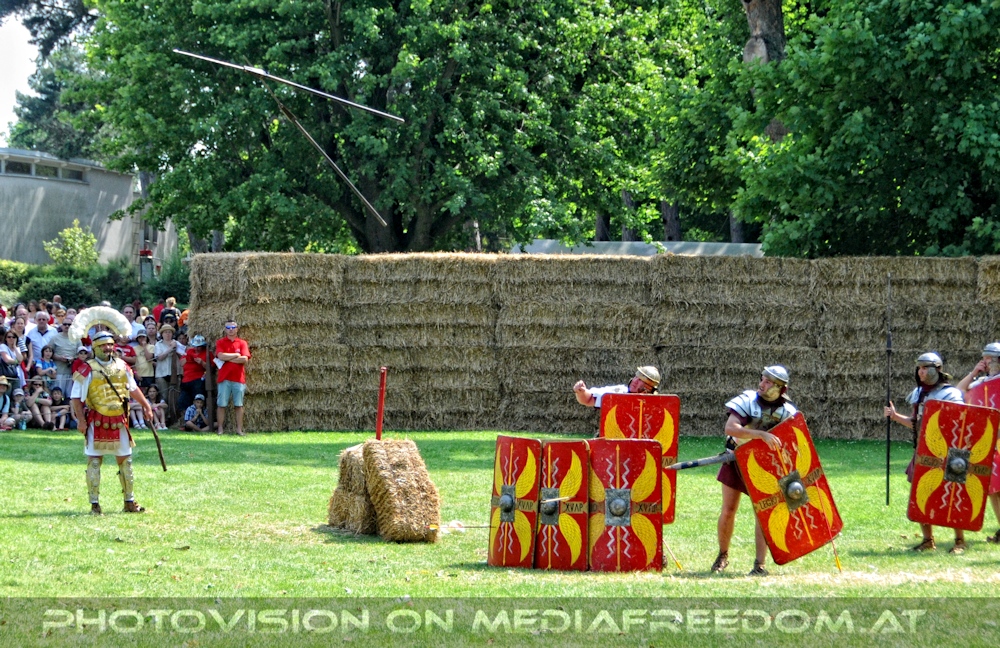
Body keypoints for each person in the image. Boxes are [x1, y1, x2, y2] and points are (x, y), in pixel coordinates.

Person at [712, 365, 795, 577]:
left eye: (768, 382)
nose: (762, 384)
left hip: (765, 468)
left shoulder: (788, 412)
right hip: (736, 460)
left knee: (763, 513)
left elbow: (792, 442)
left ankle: (760, 564)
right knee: (729, 509)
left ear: (780, 388)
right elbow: (731, 428)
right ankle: (722, 555)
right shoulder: (747, 401)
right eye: (762, 379)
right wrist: (761, 435)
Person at [885, 352, 966, 553]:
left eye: (925, 368)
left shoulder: (951, 395)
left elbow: (961, 424)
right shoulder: (918, 394)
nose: (921, 372)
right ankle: (928, 540)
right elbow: (916, 424)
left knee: (951, 495)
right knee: (920, 493)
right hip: (924, 451)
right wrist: (895, 416)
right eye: (919, 368)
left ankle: (959, 541)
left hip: (948, 452)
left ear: (937, 369)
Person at [71, 331, 154, 515]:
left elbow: (133, 388)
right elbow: (76, 397)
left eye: (109, 344)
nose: (107, 348)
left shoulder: (122, 366)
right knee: (94, 462)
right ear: (95, 347)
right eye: (103, 345)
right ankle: (94, 505)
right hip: (97, 419)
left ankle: (129, 501)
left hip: (119, 418)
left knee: (126, 462)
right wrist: (81, 421)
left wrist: (146, 405)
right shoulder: (87, 369)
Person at [956, 342, 1000, 545]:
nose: (986, 361)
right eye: (984, 358)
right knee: (992, 489)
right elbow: (959, 391)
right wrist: (974, 372)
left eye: (990, 358)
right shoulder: (981, 382)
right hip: (985, 441)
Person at [215, 320, 250, 436]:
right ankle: (220, 429)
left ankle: (239, 430)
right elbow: (220, 356)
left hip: (238, 378)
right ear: (225, 329)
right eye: (228, 327)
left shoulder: (242, 343)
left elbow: (244, 359)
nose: (231, 330)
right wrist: (236, 355)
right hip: (224, 378)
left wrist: (228, 359)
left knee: (239, 405)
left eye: (233, 327)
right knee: (221, 404)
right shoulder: (220, 342)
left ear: (237, 329)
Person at [573, 366, 661, 408]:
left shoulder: (657, 406)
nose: (635, 381)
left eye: (641, 381)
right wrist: (582, 392)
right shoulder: (618, 392)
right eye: (636, 377)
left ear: (648, 388)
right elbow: (589, 399)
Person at [178, 334, 208, 416]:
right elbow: (181, 363)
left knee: (198, 401)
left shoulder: (206, 353)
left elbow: (210, 367)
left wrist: (202, 363)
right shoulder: (189, 351)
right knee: (182, 401)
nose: (196, 348)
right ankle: (186, 418)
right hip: (186, 381)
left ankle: (199, 418)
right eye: (195, 346)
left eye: (199, 346)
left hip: (198, 380)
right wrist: (189, 358)